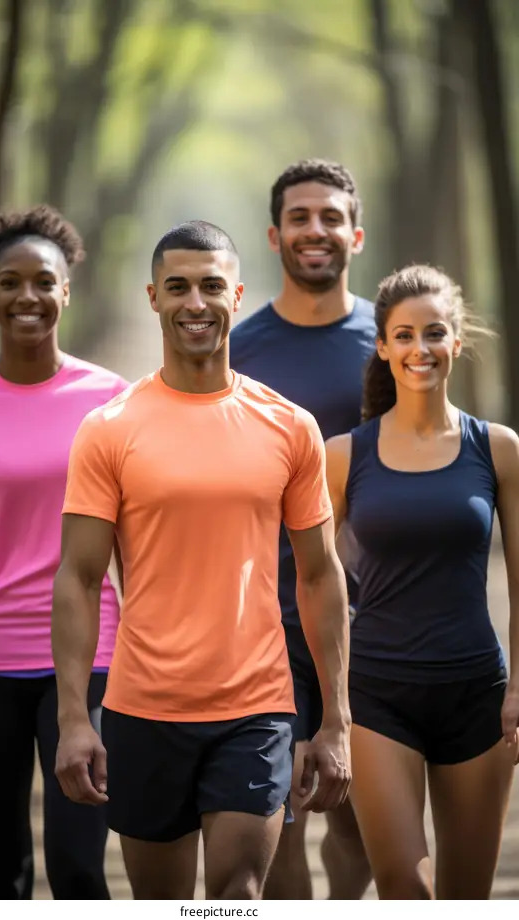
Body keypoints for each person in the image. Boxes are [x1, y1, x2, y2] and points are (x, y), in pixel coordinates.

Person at [51, 220, 352, 900]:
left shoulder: (289, 425)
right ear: (152, 297)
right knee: (163, 905)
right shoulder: (109, 428)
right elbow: (78, 576)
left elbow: (319, 574)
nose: (195, 302)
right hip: (143, 707)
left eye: (211, 286)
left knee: (237, 896)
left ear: (237, 295)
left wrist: (336, 719)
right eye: (178, 287)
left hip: (257, 706)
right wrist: (75, 717)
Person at [0, 205, 128, 899]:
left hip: (93, 658)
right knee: (0, 877)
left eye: (44, 281)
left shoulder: (111, 402)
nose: (28, 297)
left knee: (78, 869)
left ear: (67, 290)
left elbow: (138, 547)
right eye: (11, 282)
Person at [325, 264, 519, 899]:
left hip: (477, 697)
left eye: (433, 333)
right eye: (403, 336)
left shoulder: (499, 450)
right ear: (382, 345)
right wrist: (325, 708)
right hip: (378, 695)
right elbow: (315, 584)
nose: (419, 349)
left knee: (467, 900)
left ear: (456, 341)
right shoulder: (343, 456)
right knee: (407, 891)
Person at [230, 158, 373, 899]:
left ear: (356, 231)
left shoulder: (397, 344)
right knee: (274, 814)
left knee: (356, 823)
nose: (314, 230)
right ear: (274, 234)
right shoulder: (236, 351)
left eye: (328, 217)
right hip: (263, 623)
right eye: (298, 217)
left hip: (374, 620)